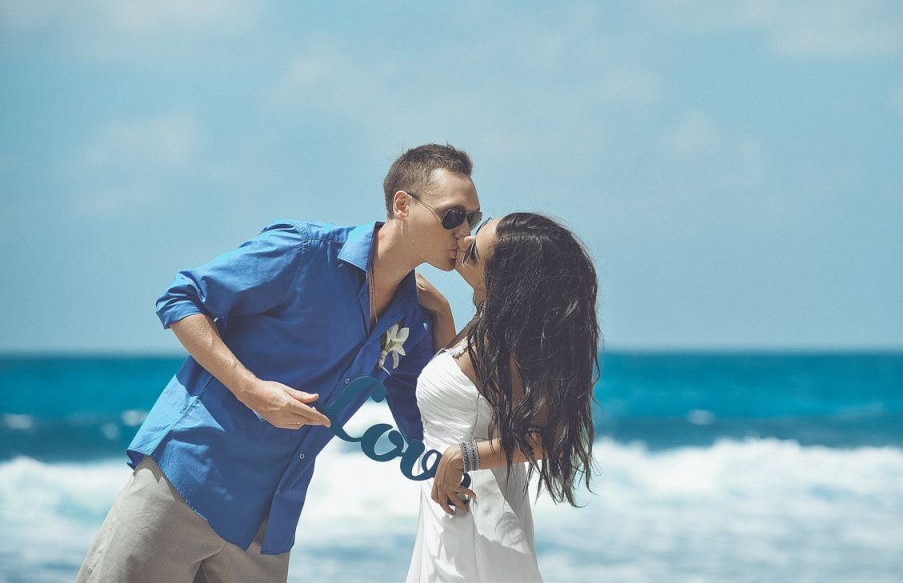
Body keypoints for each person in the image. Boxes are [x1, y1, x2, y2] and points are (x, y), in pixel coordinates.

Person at [78, 144, 481, 583]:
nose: (465, 232)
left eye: (473, 219)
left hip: (268, 523)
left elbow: (432, 424)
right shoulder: (305, 251)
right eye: (452, 215)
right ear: (402, 205)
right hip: (187, 480)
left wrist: (445, 313)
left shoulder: (413, 319)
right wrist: (252, 390)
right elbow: (181, 298)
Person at [407, 213, 600, 582]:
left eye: (475, 252)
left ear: (505, 279)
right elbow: (464, 390)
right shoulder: (487, 325)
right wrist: (442, 311)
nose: (464, 241)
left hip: (476, 517)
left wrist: (462, 456)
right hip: (454, 510)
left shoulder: (505, 342)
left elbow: (548, 437)